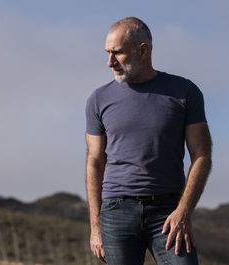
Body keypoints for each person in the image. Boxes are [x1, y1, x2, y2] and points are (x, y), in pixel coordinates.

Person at [85, 17, 212, 265]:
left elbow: (202, 155)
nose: (109, 62)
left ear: (142, 51)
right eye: (107, 53)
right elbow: (95, 161)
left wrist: (184, 211)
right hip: (116, 212)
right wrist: (95, 227)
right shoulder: (98, 99)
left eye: (117, 53)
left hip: (168, 212)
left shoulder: (185, 92)